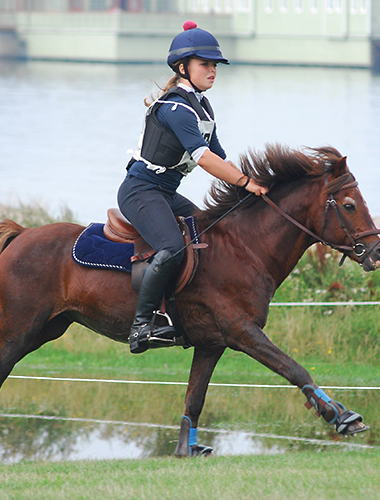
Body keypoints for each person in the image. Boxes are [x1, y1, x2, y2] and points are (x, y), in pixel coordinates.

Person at [118, 20, 268, 354]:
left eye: (215, 65)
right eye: (206, 64)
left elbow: (220, 157)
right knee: (172, 247)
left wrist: (248, 190)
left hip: (165, 194)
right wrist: (243, 182)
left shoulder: (203, 107)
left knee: (206, 234)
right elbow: (203, 158)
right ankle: (142, 326)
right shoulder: (176, 108)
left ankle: (188, 310)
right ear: (183, 68)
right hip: (140, 191)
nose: (213, 70)